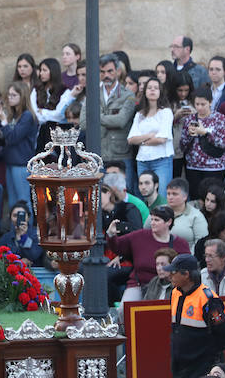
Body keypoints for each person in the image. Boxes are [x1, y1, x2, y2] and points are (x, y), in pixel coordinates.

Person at [168, 254, 225, 378]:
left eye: (173, 272)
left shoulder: (208, 300)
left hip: (201, 367)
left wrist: (207, 357)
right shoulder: (175, 293)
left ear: (186, 274)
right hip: (180, 364)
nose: (169, 275)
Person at [107, 206, 190, 304]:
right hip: (139, 284)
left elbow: (187, 268)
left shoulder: (181, 244)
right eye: (152, 219)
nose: (152, 223)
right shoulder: (139, 236)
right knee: (123, 310)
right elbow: (118, 247)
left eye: (157, 220)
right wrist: (111, 234)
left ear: (168, 222)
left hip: (168, 286)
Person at [81, 53, 138, 190]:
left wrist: (95, 117)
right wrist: (108, 120)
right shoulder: (92, 94)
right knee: (98, 195)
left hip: (121, 154)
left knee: (124, 193)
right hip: (97, 153)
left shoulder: (127, 95)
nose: (106, 75)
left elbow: (121, 121)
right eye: (102, 71)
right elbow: (83, 123)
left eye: (110, 71)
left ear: (118, 71)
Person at [0, 81, 38, 215]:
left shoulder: (27, 116)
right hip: (11, 161)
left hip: (21, 164)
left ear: (23, 96)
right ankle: (16, 235)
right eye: (8, 95)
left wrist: (3, 120)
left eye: (14, 95)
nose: (10, 98)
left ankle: (27, 235)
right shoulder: (14, 115)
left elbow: (13, 137)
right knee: (13, 203)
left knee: (23, 202)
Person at [128, 77, 175, 192]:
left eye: (156, 88)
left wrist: (141, 141)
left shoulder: (166, 112)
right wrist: (149, 136)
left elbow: (161, 139)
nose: (152, 90)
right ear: (145, 91)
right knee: (146, 195)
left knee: (161, 195)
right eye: (149, 88)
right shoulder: (140, 114)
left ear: (160, 91)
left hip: (161, 160)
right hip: (142, 160)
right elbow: (131, 139)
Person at [181, 87, 225, 199]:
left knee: (214, 201)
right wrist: (189, 135)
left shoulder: (219, 118)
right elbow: (182, 145)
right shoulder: (190, 119)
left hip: (214, 167)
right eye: (197, 104)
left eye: (203, 104)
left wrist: (205, 133)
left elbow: (223, 143)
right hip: (193, 167)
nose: (200, 107)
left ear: (210, 102)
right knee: (196, 200)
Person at [162, 178, 209, 252]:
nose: (170, 197)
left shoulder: (196, 216)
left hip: (186, 258)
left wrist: (188, 258)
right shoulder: (158, 211)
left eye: (174, 194)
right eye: (168, 194)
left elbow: (201, 243)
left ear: (185, 196)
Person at [0, 202, 44, 266]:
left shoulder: (36, 234)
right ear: (10, 218)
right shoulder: (6, 237)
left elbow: (34, 255)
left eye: (22, 215)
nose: (18, 219)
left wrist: (24, 237)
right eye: (15, 215)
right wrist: (17, 262)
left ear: (28, 217)